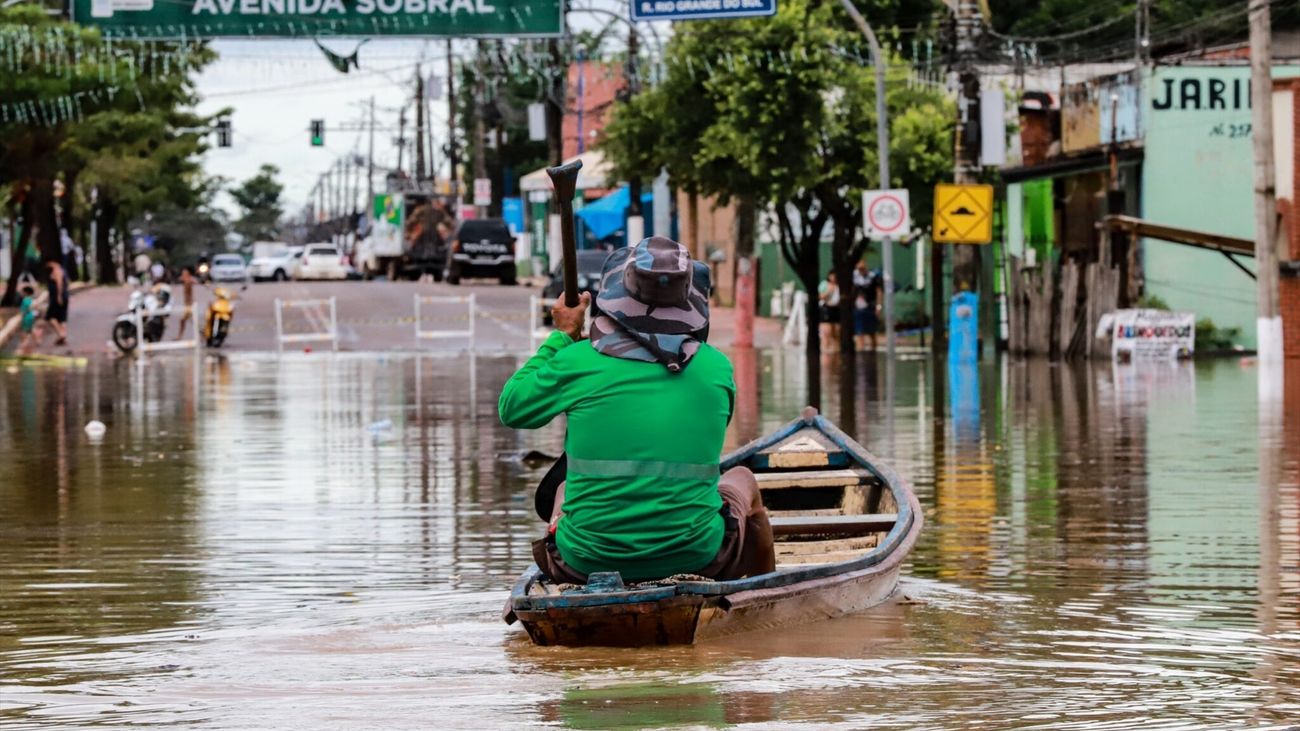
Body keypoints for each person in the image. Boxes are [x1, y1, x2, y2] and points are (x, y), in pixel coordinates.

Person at [499, 236, 776, 585]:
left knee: (564, 489)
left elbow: (512, 407)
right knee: (742, 479)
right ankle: (763, 588)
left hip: (583, 561)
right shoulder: (717, 368)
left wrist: (564, 336)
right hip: (700, 554)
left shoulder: (577, 361)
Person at [852, 261, 883, 351]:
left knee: (871, 332)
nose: (861, 270)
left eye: (863, 268)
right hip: (858, 308)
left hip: (870, 307)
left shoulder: (873, 277)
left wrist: (878, 306)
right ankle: (860, 351)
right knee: (859, 332)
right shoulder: (854, 277)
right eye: (859, 268)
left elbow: (879, 292)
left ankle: (873, 351)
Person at [44, 260, 69, 346]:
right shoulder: (62, 270)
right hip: (63, 296)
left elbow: (59, 283)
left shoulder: (57, 271)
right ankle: (63, 336)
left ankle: (61, 334)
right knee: (62, 317)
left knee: (50, 317)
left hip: (57, 297)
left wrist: (59, 296)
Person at [16, 279, 43, 355]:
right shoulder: (31, 299)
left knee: (25, 332)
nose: (21, 293)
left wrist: (20, 318)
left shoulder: (25, 300)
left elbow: (23, 311)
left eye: (22, 291)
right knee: (31, 329)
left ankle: (23, 346)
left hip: (26, 317)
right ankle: (38, 341)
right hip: (31, 316)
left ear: (25, 292)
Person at [817, 270, 841, 353]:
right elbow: (820, 296)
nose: (833, 278)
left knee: (837, 333)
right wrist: (829, 291)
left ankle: (836, 351)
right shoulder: (825, 284)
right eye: (832, 275)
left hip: (837, 309)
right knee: (827, 333)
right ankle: (825, 351)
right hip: (826, 309)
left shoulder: (840, 285)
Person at [174, 267, 196, 340]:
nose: (183, 275)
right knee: (189, 321)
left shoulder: (188, 281)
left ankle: (179, 336)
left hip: (189, 305)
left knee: (184, 321)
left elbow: (193, 281)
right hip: (187, 304)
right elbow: (180, 279)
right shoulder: (186, 281)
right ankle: (179, 336)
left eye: (185, 274)